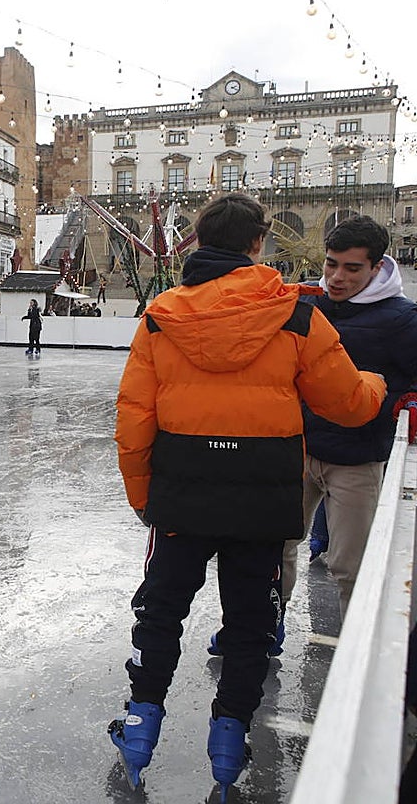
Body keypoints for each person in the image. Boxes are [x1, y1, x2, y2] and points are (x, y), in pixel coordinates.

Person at [108, 193, 384, 799]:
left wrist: (142, 497)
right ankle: (229, 743)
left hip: (182, 490)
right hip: (263, 494)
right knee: (250, 620)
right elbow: (347, 403)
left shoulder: (161, 315)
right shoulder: (295, 315)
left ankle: (139, 727)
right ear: (258, 244)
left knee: (161, 611)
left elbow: (134, 419)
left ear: (197, 242)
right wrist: (378, 383)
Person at [273, 217, 417, 622]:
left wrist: (405, 402)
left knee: (351, 567)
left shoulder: (403, 319)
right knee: (274, 545)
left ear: (376, 267)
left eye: (352, 268)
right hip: (298, 450)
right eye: (331, 264)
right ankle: (266, 627)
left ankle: (358, 663)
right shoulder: (309, 303)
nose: (337, 277)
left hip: (356, 460)